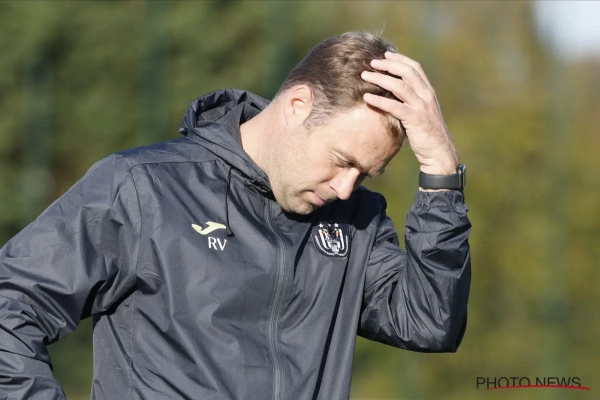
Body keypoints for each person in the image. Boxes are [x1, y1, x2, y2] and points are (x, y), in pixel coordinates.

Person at [0, 31, 471, 400]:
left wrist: (442, 171)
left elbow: (430, 322)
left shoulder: (355, 219)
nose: (346, 187)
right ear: (298, 106)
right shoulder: (144, 187)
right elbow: (11, 306)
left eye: (366, 174)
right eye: (343, 161)